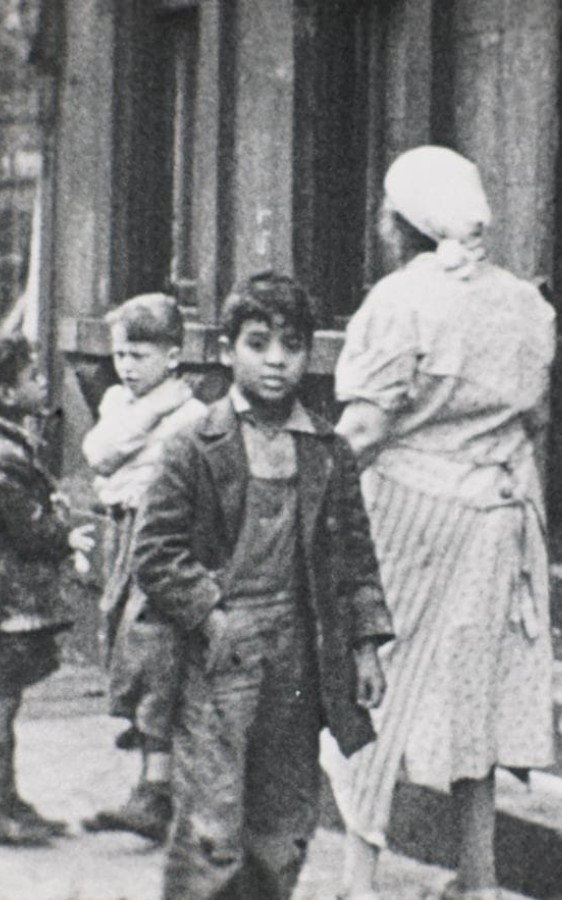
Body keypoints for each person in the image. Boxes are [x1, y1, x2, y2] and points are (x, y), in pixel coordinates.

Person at [324, 145, 557, 900]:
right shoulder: (522, 301)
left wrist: (316, 496)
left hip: (410, 514)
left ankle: (358, 880)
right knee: (473, 689)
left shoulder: (401, 300)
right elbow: (537, 415)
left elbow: (362, 429)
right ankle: (478, 877)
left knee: (372, 682)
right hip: (501, 511)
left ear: (400, 223)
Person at [131, 272, 394, 900]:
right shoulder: (193, 445)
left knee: (283, 827)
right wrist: (213, 616)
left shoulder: (327, 451)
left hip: (297, 657)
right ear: (227, 349)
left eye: (293, 345)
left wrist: (364, 646)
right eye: (258, 342)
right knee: (212, 826)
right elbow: (156, 553)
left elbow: (354, 557)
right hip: (218, 656)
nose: (277, 360)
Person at [0, 331, 96, 846]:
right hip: (3, 601)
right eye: (33, 376)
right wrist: (65, 532)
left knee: (5, 699)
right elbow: (30, 530)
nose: (43, 383)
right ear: (8, 395)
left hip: (0, 597)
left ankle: (5, 799)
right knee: (3, 700)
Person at [80, 293, 207, 842]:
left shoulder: (195, 414)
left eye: (139, 355)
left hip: (165, 542)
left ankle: (157, 791)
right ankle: (154, 783)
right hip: (124, 536)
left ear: (173, 356)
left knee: (157, 655)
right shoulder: (122, 403)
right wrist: (150, 412)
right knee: (130, 647)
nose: (126, 367)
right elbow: (99, 454)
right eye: (120, 355)